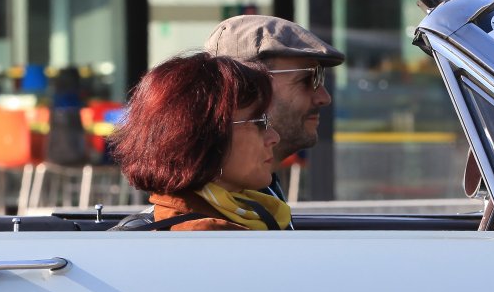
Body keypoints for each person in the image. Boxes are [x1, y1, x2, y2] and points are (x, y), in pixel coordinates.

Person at [112, 53, 290, 231]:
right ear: (201, 137)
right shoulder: (208, 236)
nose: (274, 137)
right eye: (259, 122)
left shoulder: (245, 214)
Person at [203, 15, 344, 198]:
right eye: (308, 79)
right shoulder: (196, 209)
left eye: (320, 77)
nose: (324, 98)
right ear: (240, 88)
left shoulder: (260, 194)